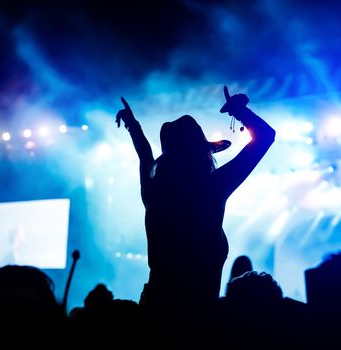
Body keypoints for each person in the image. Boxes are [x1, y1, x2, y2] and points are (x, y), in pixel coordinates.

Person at [116, 86, 275, 315]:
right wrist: (239, 111)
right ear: (203, 153)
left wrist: (133, 125)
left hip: (154, 311)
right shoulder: (212, 188)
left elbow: (145, 154)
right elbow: (265, 137)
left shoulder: (153, 189)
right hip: (196, 319)